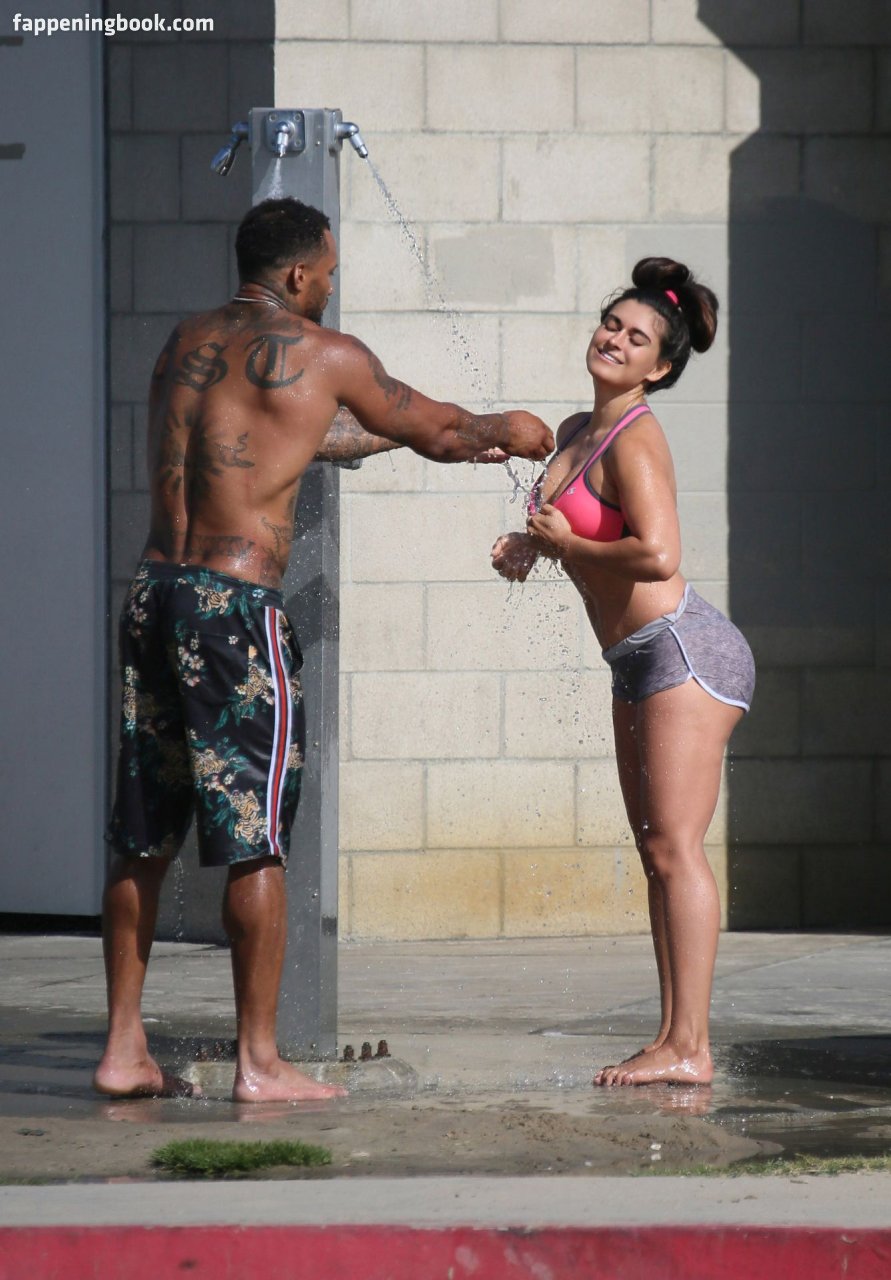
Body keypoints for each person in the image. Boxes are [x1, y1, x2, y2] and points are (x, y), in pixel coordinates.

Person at [95, 197, 553, 1104]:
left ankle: (121, 1051)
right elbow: (444, 428)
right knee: (256, 839)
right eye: (330, 275)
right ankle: (260, 1063)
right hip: (233, 609)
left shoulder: (185, 340)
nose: (331, 289)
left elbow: (289, 436)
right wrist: (509, 428)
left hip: (154, 595)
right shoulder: (326, 353)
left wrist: (393, 441)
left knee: (143, 833)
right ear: (300, 273)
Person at [491, 257, 754, 1087]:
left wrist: (567, 542)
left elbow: (658, 553)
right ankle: (670, 1039)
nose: (615, 340)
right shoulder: (579, 428)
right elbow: (577, 535)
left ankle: (690, 1048)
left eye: (636, 338)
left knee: (675, 848)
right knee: (654, 851)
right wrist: (530, 546)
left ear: (660, 368)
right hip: (634, 657)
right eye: (612, 324)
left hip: (682, 648)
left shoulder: (636, 437)